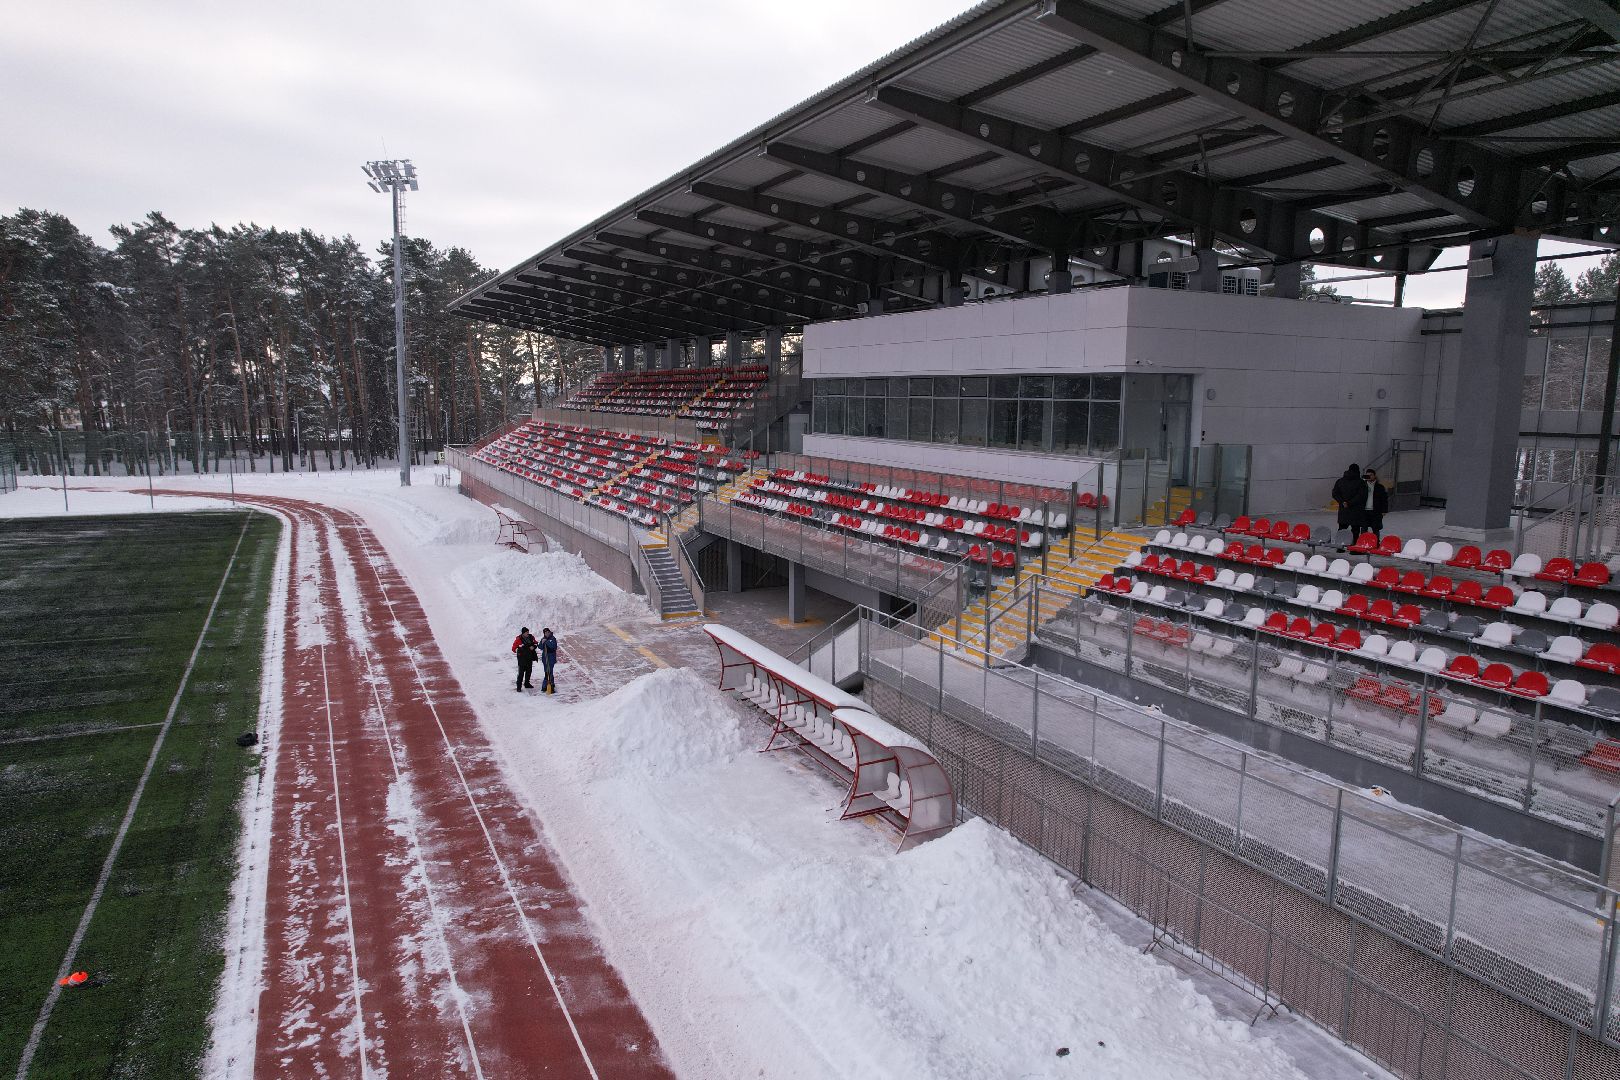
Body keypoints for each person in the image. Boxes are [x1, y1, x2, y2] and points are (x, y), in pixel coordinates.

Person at [1331, 463, 1363, 548]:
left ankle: (1339, 547)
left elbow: (1335, 493)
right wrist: (1350, 503)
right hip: (1356, 510)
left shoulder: (1340, 481)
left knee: (1342, 528)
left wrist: (1342, 502)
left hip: (1343, 510)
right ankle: (1354, 547)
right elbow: (1361, 495)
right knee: (1355, 530)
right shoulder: (1360, 482)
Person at [1358, 468, 1390, 542]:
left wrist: (1384, 510)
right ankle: (1363, 542)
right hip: (1364, 511)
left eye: (1371, 475)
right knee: (1363, 528)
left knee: (1376, 528)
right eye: (1367, 475)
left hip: (1376, 511)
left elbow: (1384, 499)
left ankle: (1375, 542)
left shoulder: (1380, 487)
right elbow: (1358, 497)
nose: (1369, 477)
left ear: (1374, 476)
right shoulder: (1362, 486)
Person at [512, 626, 539, 692]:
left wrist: (534, 646)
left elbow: (536, 643)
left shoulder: (531, 637)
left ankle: (527, 683)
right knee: (521, 673)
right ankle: (519, 686)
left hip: (529, 657)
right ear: (523, 633)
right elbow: (513, 648)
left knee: (529, 671)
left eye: (528, 632)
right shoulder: (519, 639)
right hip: (522, 658)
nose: (528, 633)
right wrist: (518, 650)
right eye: (526, 632)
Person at [538, 627, 558, 695]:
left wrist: (546, 642)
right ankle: (546, 685)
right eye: (545, 633)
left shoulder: (553, 639)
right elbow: (540, 647)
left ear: (549, 632)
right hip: (545, 658)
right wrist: (542, 642)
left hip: (551, 658)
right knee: (546, 672)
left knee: (550, 672)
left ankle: (550, 686)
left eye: (547, 632)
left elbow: (554, 646)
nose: (547, 634)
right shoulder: (543, 639)